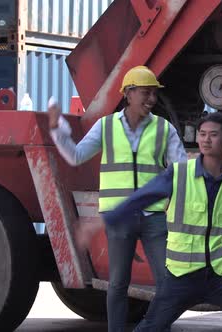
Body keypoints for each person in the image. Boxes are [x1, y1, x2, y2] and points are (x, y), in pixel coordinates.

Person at [103, 112, 222, 332]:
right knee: (151, 326)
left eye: (213, 134)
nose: (206, 140)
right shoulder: (178, 173)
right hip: (182, 275)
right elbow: (139, 199)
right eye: (202, 134)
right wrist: (107, 220)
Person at [48, 65, 187, 332]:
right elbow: (76, 156)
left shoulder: (164, 129)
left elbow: (181, 173)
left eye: (154, 94)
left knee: (166, 284)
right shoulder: (106, 126)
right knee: (118, 284)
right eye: (146, 93)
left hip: (154, 217)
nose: (152, 100)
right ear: (128, 94)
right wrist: (57, 131)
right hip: (119, 219)